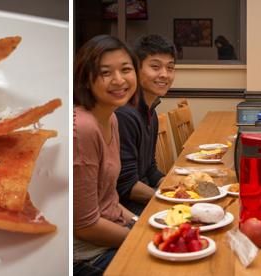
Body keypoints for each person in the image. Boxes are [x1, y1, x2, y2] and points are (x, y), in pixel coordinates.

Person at [72, 35, 141, 276]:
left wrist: (140, 226)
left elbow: (109, 201)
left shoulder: (111, 117)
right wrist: (142, 239)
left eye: (126, 69)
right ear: (85, 79)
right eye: (105, 73)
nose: (119, 80)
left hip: (111, 231)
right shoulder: (82, 128)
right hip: (85, 255)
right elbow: (84, 226)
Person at [114, 34, 176, 216]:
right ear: (135, 69)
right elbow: (126, 186)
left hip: (141, 198)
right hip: (125, 208)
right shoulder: (123, 113)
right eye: (155, 67)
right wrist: (168, 199)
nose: (164, 74)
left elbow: (149, 169)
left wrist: (175, 189)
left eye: (170, 68)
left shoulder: (151, 111)